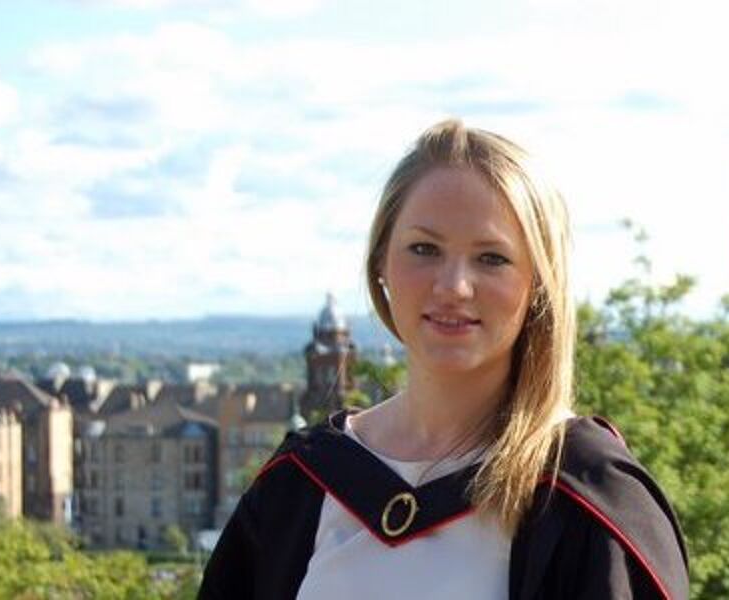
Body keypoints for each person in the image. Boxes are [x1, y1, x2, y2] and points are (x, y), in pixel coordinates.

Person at [199, 120, 689, 599]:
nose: (453, 286)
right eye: (424, 249)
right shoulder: (299, 485)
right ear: (381, 264)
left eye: (492, 257)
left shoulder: (587, 498)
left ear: (539, 282)